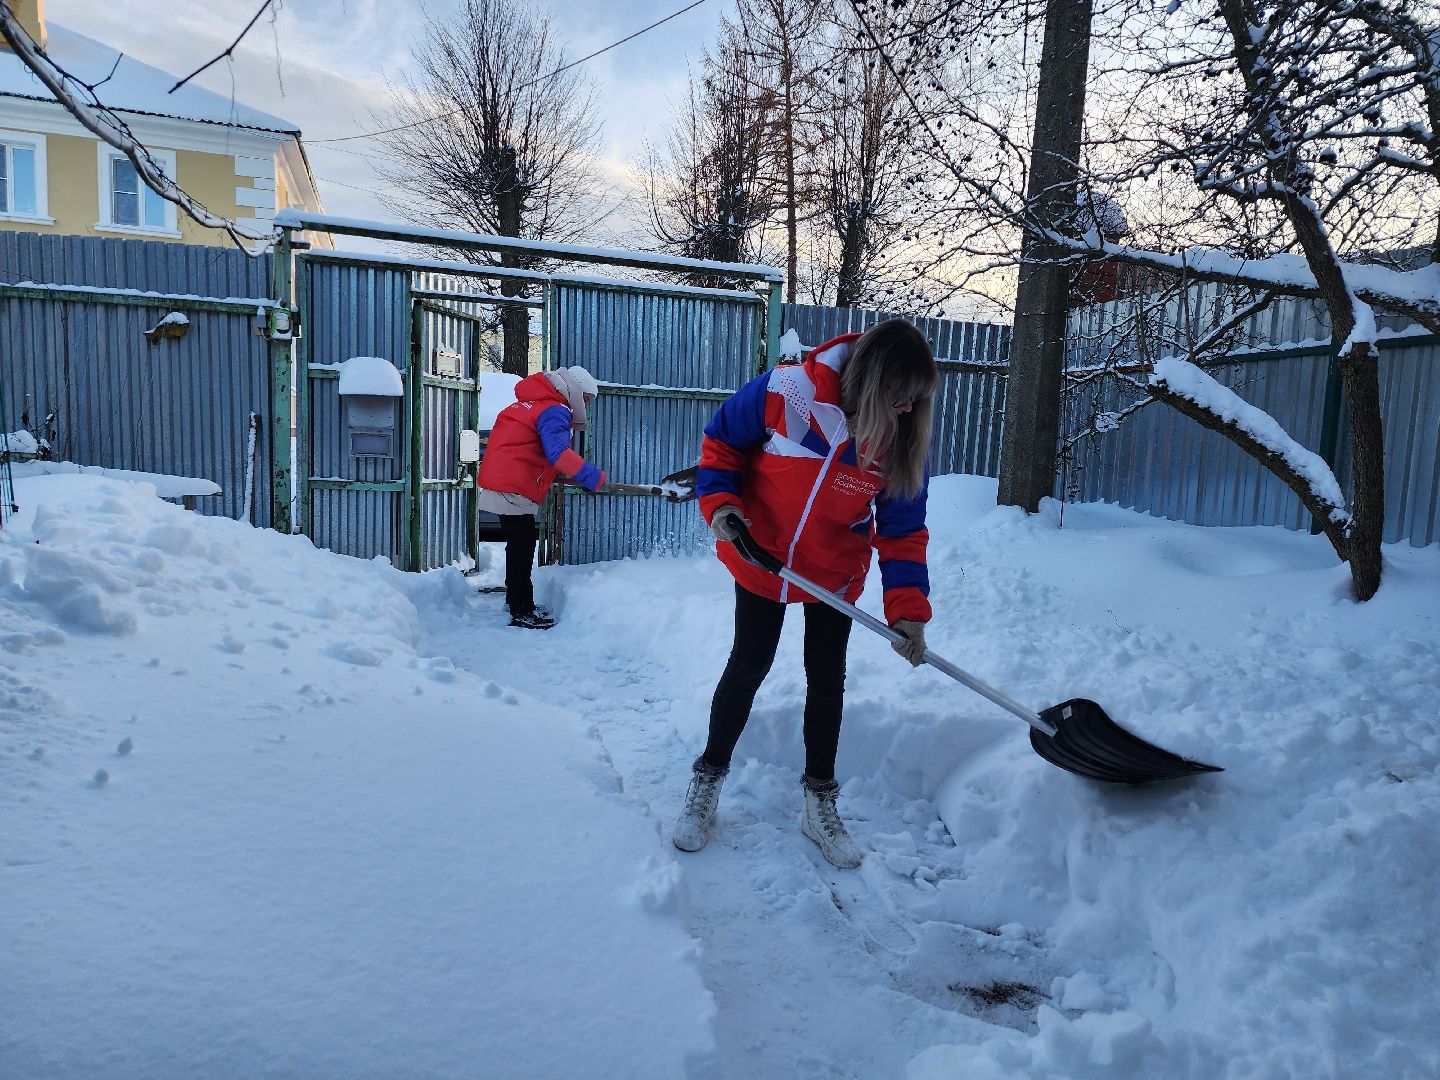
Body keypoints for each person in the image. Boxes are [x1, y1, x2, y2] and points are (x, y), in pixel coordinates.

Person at [673, 319, 937, 868]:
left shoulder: (894, 437)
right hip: (761, 554)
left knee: (827, 678)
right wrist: (721, 506)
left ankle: (819, 801)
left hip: (832, 573)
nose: (909, 410)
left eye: (916, 399)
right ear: (870, 379)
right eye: (900, 396)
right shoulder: (786, 391)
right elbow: (721, 445)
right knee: (749, 662)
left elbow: (902, 530)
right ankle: (707, 781)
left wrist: (909, 612)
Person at [477, 366, 606, 630]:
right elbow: (557, 453)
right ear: (576, 391)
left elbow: (530, 447)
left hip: (503, 481)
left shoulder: (526, 405)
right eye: (587, 399)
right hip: (515, 486)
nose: (586, 405)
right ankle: (521, 610)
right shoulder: (554, 409)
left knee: (518, 545)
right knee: (522, 549)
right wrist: (592, 477)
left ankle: (517, 602)